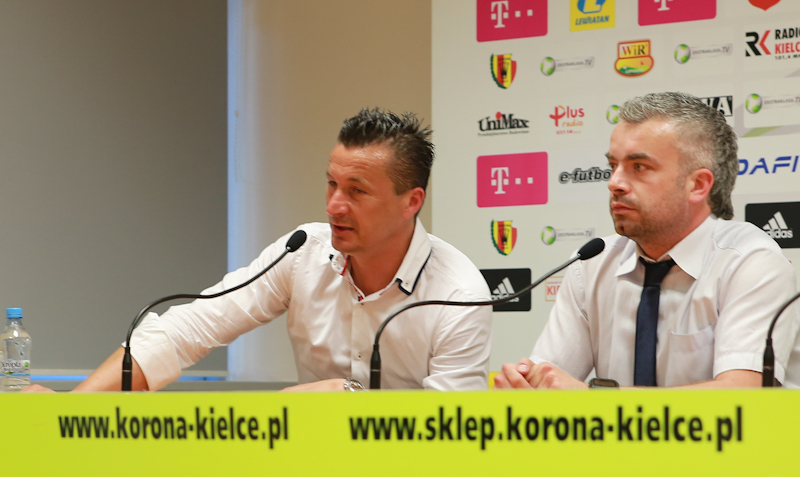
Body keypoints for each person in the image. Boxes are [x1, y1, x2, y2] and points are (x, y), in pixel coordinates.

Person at [33, 109, 492, 392]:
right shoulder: (302, 252)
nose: (334, 205)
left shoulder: (459, 293)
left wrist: (350, 403)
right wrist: (74, 410)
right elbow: (188, 329)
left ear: (411, 202)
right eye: (331, 184)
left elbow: (449, 437)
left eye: (357, 191)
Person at [495, 92, 798, 390]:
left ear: (698, 185)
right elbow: (549, 379)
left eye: (639, 167)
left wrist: (593, 400)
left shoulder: (750, 262)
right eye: (613, 166)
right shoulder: (591, 264)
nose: (614, 183)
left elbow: (742, 393)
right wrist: (525, 387)